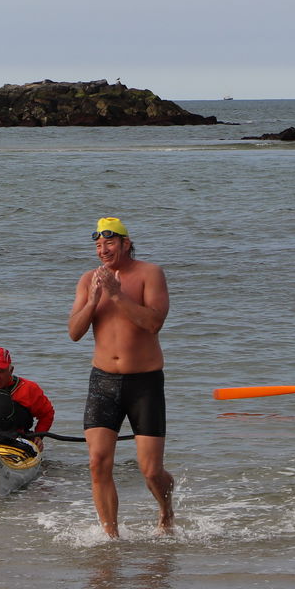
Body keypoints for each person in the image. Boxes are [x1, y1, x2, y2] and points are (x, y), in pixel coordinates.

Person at [67, 217, 174, 538]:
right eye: (98, 245)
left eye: (109, 243)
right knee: (98, 462)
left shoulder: (150, 274)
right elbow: (74, 332)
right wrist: (94, 300)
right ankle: (111, 537)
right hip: (103, 382)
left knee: (151, 470)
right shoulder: (89, 279)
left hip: (145, 383)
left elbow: (153, 323)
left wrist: (117, 296)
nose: (103, 250)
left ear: (127, 243)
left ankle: (167, 511)